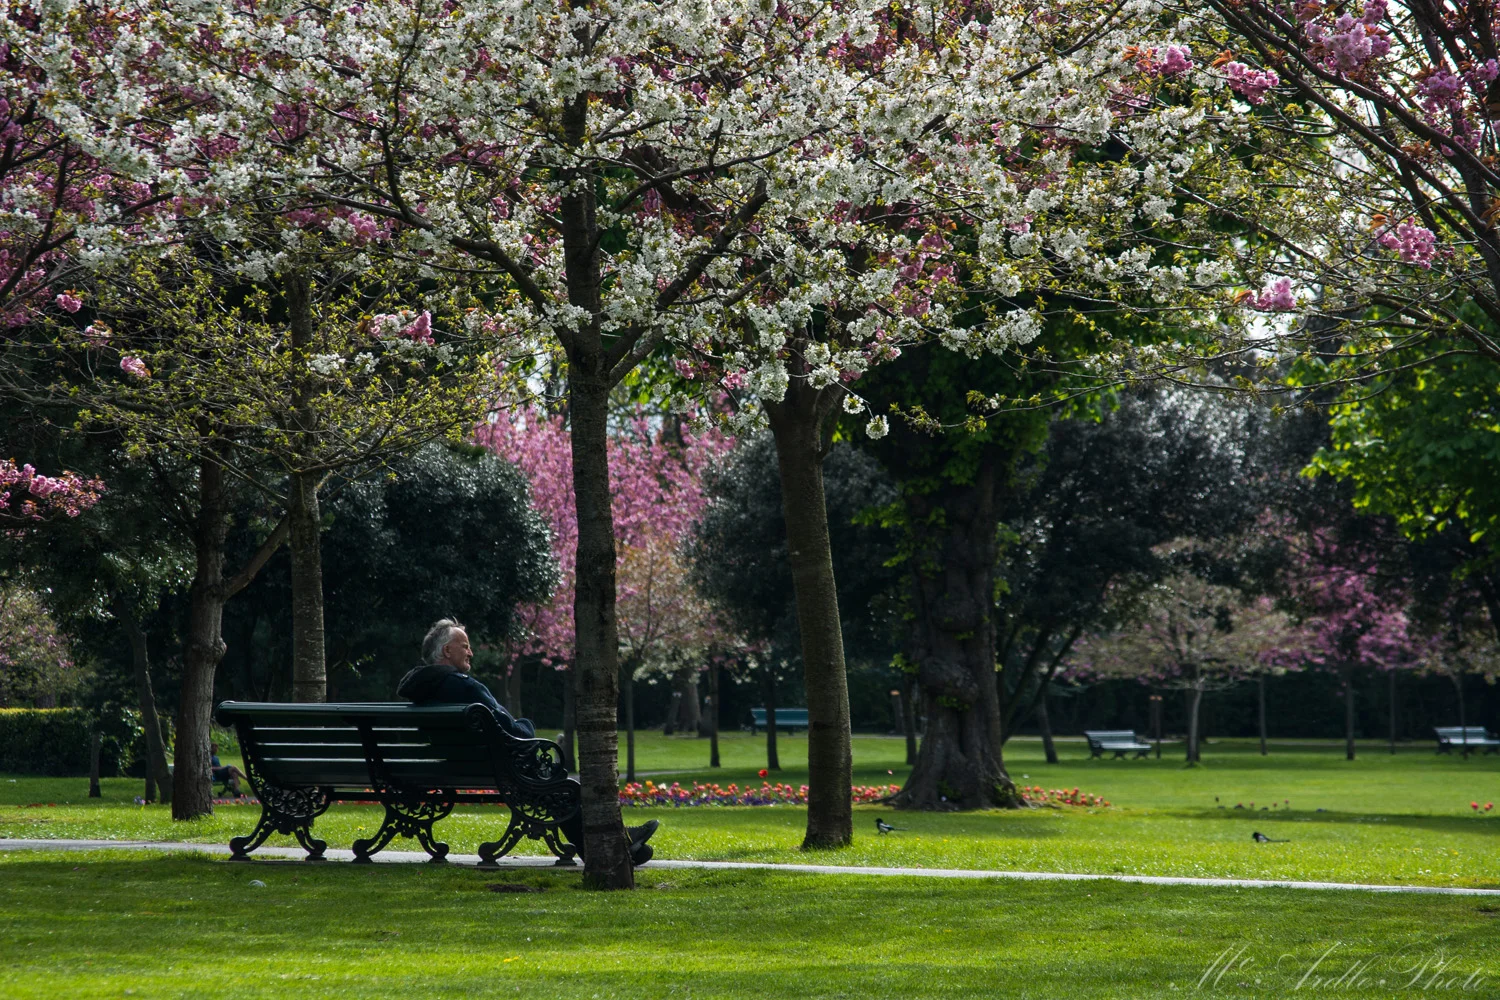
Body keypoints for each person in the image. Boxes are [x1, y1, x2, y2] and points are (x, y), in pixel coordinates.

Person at [397, 619, 658, 866]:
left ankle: (617, 845)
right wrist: (527, 725)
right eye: (465, 646)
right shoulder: (465, 687)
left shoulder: (423, 690)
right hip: (496, 767)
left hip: (458, 766)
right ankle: (612, 847)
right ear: (446, 651)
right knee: (562, 786)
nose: (471, 652)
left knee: (556, 787)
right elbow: (515, 733)